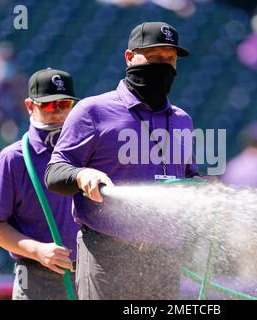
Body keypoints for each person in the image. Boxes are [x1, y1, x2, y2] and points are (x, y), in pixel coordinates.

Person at [45, 22, 199, 300]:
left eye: (170, 59)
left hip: (164, 258)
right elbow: (54, 172)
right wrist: (82, 176)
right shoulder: (92, 111)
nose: (164, 66)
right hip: (107, 255)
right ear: (130, 58)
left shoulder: (182, 120)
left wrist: (204, 189)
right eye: (154, 58)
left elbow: (189, 177)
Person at [0, 68, 80, 300]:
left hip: (88, 273)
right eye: (47, 105)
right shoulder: (12, 159)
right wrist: (37, 250)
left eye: (64, 104)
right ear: (29, 105)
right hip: (36, 277)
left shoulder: (86, 151)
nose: (57, 112)